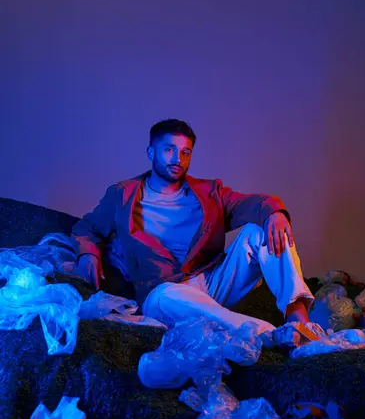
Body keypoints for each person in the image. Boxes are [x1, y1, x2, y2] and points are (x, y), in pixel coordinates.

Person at [71, 119, 314, 335]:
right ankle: (265, 333)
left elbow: (250, 203)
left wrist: (275, 212)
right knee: (168, 294)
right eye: (169, 149)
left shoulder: (209, 193)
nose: (178, 159)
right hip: (163, 293)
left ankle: (298, 320)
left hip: (210, 283)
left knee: (259, 231)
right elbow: (87, 228)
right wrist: (87, 254)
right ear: (150, 152)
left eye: (185, 152)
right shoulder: (122, 195)